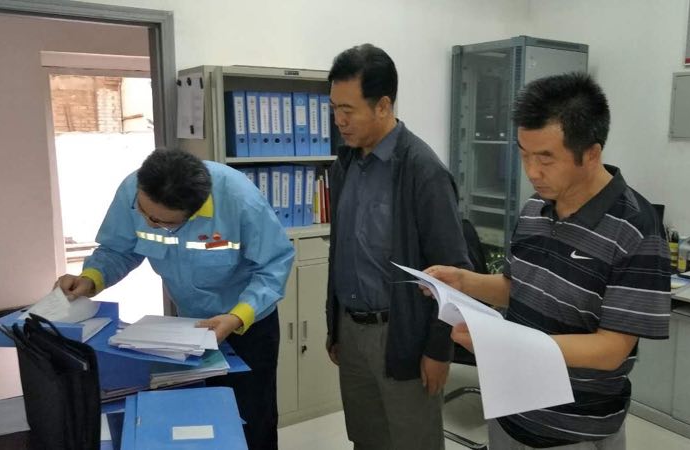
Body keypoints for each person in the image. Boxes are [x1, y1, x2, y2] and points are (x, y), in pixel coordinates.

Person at [426, 73, 671, 450]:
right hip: (509, 411)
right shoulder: (534, 209)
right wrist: (463, 281)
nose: (532, 171)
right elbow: (517, 288)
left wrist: (507, 345)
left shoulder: (636, 228)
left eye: (546, 158)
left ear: (591, 154)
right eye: (524, 154)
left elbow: (611, 349)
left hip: (573, 430)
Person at [55, 148, 294, 450]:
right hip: (188, 327)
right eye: (144, 213)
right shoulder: (133, 190)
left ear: (193, 213)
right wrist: (91, 278)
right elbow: (118, 249)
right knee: (196, 416)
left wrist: (237, 317)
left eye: (161, 222)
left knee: (251, 418)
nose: (149, 223)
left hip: (247, 323)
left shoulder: (240, 200)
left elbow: (273, 265)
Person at [324, 43, 471, 450]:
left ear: (384, 106)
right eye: (334, 108)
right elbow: (342, 253)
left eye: (348, 110)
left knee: (412, 442)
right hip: (352, 332)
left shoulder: (423, 171)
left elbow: (453, 270)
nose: (339, 120)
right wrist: (335, 326)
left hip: (403, 332)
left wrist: (439, 349)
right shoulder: (345, 165)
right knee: (366, 440)